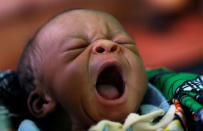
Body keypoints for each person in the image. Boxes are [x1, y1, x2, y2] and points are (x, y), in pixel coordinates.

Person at [1, 9, 202, 130]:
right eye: (78, 48)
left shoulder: (173, 113)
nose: (107, 44)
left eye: (121, 41)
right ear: (43, 101)